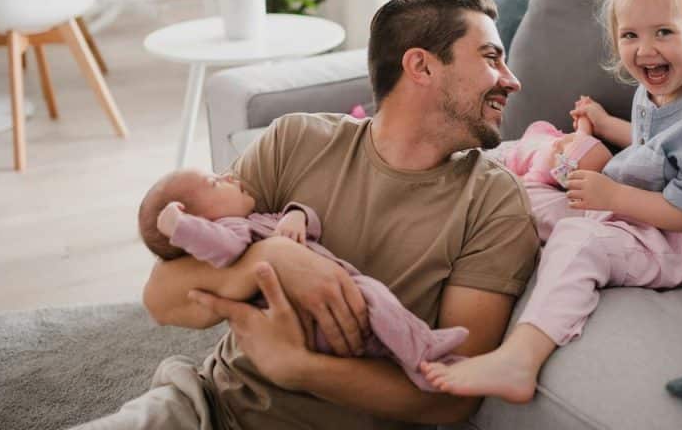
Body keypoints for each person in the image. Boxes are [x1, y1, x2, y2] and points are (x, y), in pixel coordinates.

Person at [76, 0, 539, 430]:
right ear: (420, 65)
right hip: (209, 408)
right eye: (491, 57)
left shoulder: (493, 203)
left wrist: (298, 368)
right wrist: (270, 259)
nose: (512, 80)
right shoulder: (296, 141)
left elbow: (452, 394)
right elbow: (161, 299)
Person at [421, 0, 682, 404]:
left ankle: (521, 357)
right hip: (637, 203)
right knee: (523, 192)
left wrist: (612, 196)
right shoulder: (660, 85)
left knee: (582, 240)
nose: (645, 51)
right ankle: (433, 195)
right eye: (631, 36)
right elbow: (656, 146)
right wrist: (607, 126)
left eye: (664, 32)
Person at [136, 167, 470, 391]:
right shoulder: (231, 229)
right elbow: (220, 249)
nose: (229, 174)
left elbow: (304, 220)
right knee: (375, 298)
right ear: (199, 221)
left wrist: (296, 215)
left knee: (378, 320)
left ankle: (418, 360)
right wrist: (180, 228)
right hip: (301, 325)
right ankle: (423, 349)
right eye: (214, 183)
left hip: (321, 324)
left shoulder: (256, 218)